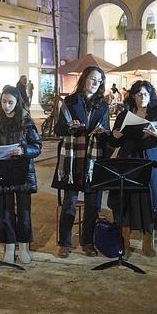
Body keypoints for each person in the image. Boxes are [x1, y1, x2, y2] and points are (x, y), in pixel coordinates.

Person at [108, 80, 157, 256]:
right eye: (138, 94)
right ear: (133, 96)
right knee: (126, 200)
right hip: (128, 159)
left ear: (150, 96)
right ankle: (125, 242)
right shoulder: (124, 115)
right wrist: (115, 135)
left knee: (148, 200)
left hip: (150, 159)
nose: (142, 97)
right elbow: (114, 141)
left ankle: (147, 241)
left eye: (145, 94)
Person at [52, 67, 111, 257]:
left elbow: (107, 133)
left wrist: (103, 133)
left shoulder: (102, 105)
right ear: (84, 79)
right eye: (92, 79)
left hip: (95, 159)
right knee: (70, 202)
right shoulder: (70, 101)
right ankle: (65, 243)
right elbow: (58, 129)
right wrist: (70, 128)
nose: (95, 83)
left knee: (93, 203)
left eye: (99, 81)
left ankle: (88, 241)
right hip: (72, 159)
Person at [0, 85, 42, 264]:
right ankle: (9, 247)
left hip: (23, 172)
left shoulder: (27, 122)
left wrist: (23, 149)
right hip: (3, 172)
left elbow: (37, 146)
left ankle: (24, 246)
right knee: (5, 211)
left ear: (17, 103)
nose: (6, 106)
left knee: (24, 212)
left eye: (10, 102)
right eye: (4, 101)